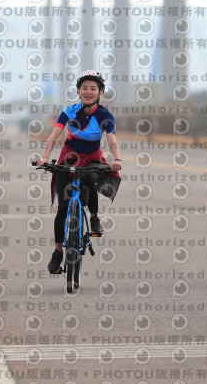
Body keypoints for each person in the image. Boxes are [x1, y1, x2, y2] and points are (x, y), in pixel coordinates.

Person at [36, 70, 122, 274]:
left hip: (92, 158)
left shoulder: (105, 115)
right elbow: (54, 136)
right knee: (62, 209)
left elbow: (111, 139)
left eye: (93, 88)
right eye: (84, 88)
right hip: (69, 157)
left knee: (90, 176)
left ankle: (94, 217)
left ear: (100, 92)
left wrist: (117, 159)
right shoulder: (69, 112)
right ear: (78, 91)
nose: (88, 92)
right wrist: (45, 158)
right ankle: (58, 252)